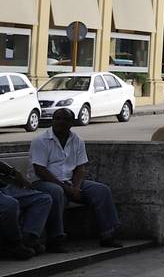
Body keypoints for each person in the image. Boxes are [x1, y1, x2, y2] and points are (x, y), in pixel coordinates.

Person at [30, 108, 121, 247]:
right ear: (52, 120)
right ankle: (56, 239)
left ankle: (108, 234)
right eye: (57, 118)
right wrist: (66, 188)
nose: (60, 122)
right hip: (44, 182)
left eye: (65, 119)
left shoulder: (76, 140)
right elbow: (40, 170)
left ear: (71, 122)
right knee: (57, 192)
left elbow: (81, 168)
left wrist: (76, 187)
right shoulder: (41, 140)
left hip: (71, 182)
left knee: (101, 191)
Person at [0, 163, 53, 259]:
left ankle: (28, 239)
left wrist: (14, 172)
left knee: (43, 199)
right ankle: (13, 244)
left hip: (3, 187)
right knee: (10, 205)